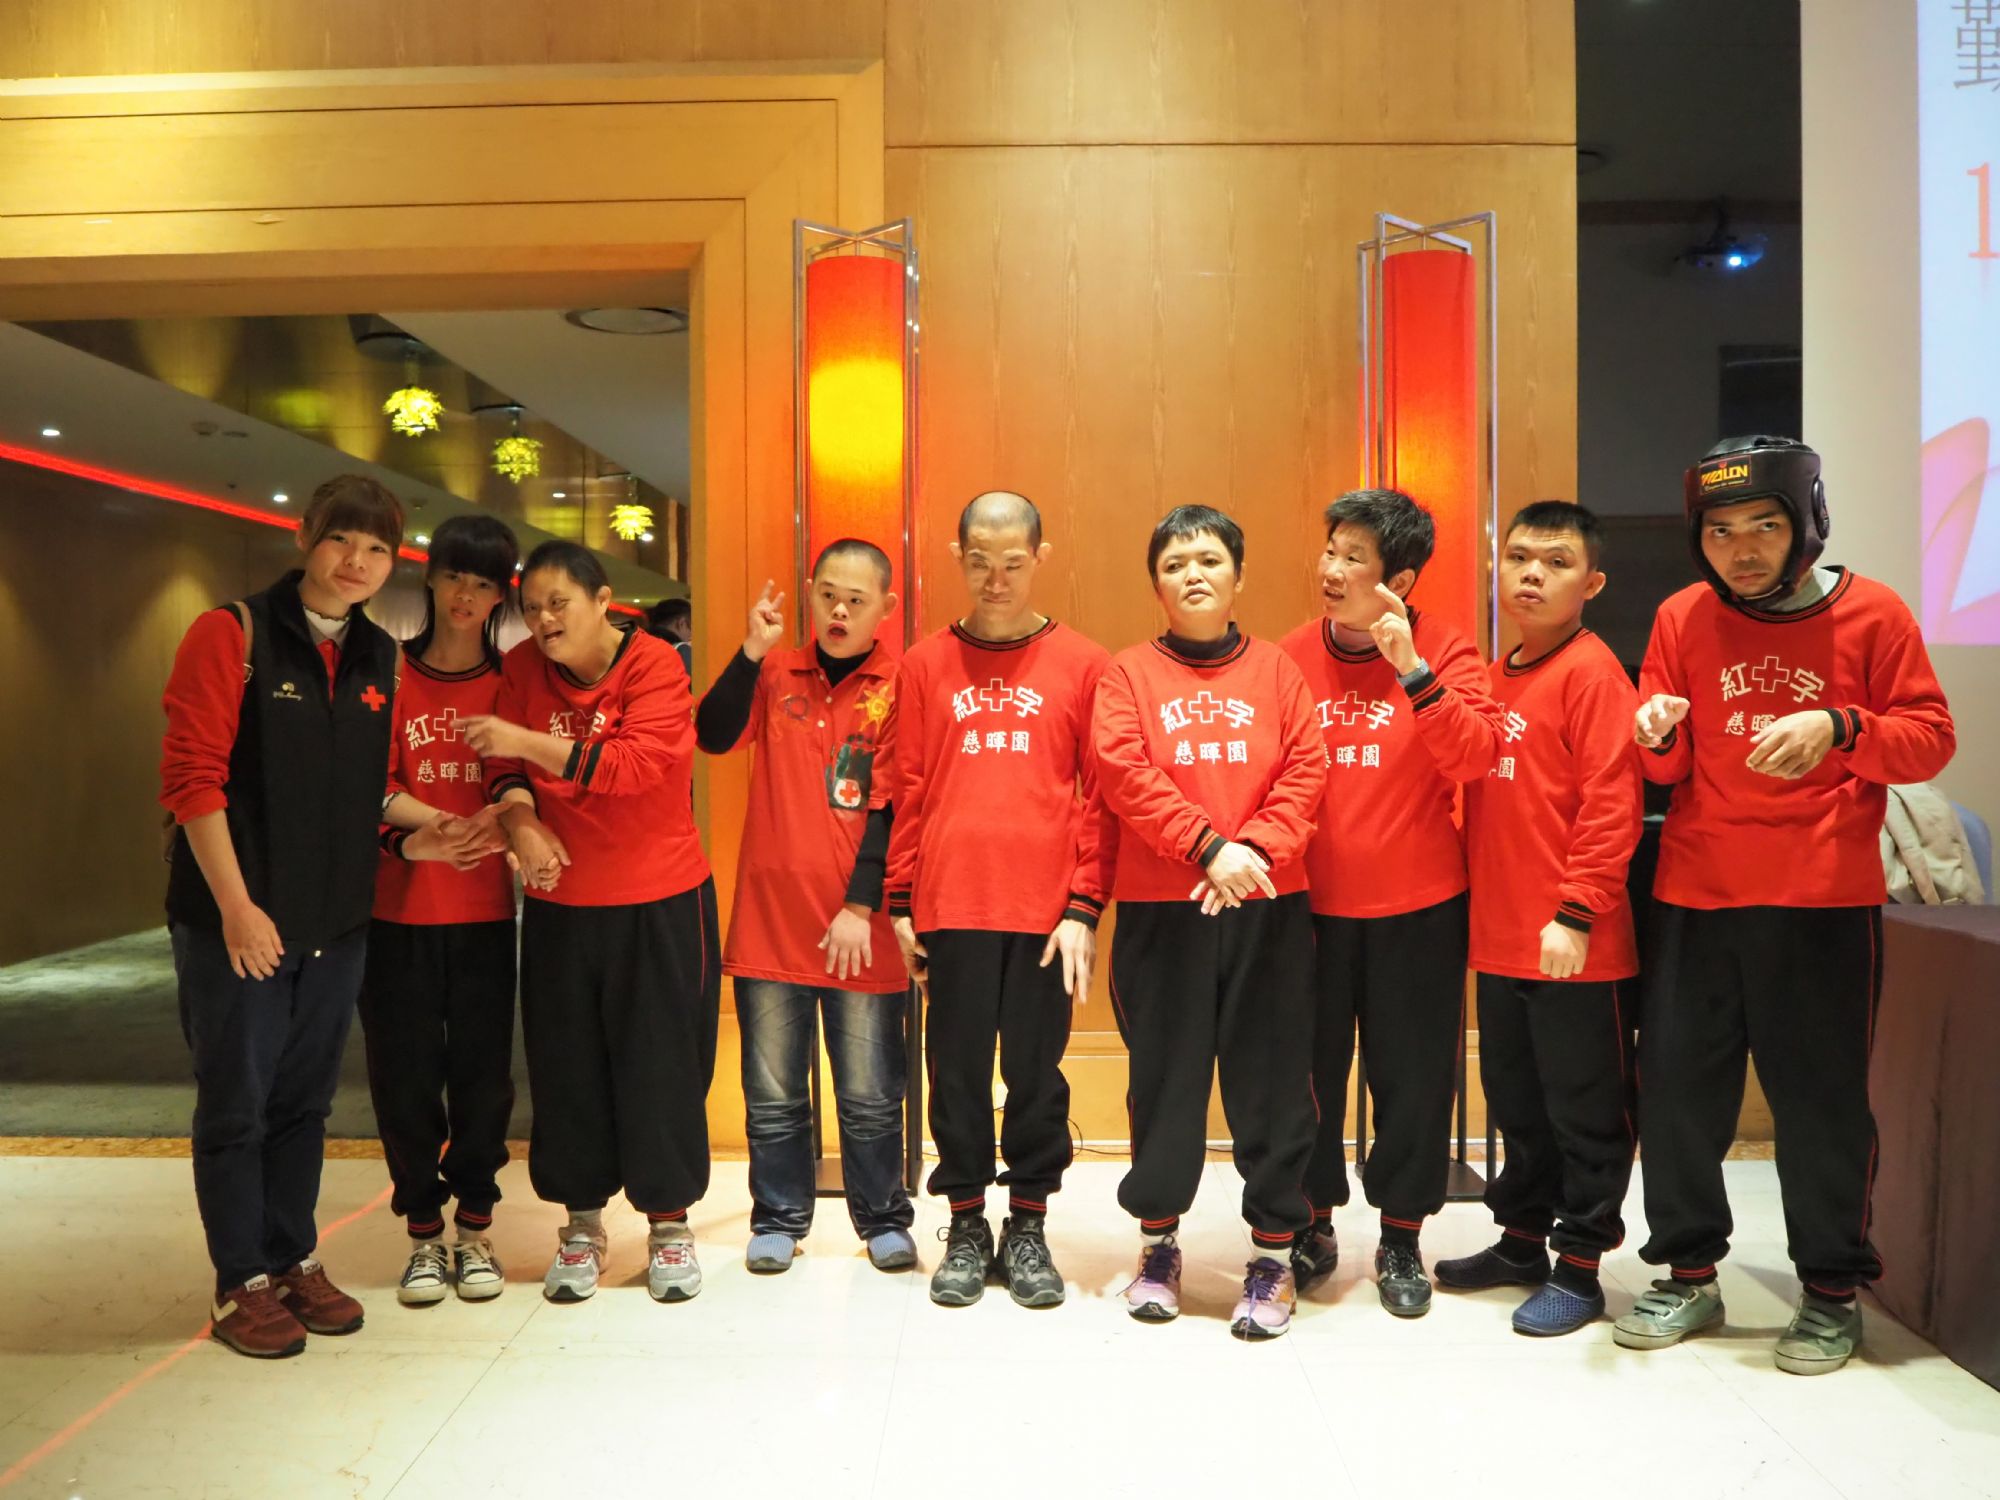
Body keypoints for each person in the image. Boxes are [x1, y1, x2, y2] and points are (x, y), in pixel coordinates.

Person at [1615, 436, 1954, 1374]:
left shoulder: (1875, 612)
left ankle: (1832, 1292)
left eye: (1763, 526)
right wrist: (1653, 734)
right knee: (1678, 1097)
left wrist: (1841, 726)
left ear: (1807, 521)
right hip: (1695, 893)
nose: (1742, 550)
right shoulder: (1682, 615)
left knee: (1821, 1104)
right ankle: (1689, 1274)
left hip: (1821, 900)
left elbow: (1930, 738)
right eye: (1719, 532)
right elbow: (1665, 763)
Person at [160, 474, 407, 1358]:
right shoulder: (233, 634)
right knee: (238, 1103)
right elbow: (193, 783)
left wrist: (446, 829)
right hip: (238, 925)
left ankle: (292, 1256)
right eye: (342, 539)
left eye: (377, 548)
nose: (357, 561)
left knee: (305, 1104)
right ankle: (241, 1280)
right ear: (305, 536)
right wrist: (236, 908)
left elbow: (375, 790)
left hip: (335, 926)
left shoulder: (380, 656)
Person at [463, 541, 720, 1305]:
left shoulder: (655, 664)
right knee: (567, 1067)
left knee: (661, 1065)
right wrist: (522, 822)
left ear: (603, 600)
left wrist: (523, 741)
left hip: (659, 898)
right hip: (561, 905)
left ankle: (668, 1227)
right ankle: (581, 1226)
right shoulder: (521, 668)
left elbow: (635, 767)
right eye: (531, 608)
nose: (544, 620)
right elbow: (501, 769)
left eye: (558, 603)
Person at [1094, 505, 1326, 1340]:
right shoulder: (1126, 674)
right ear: (1155, 583)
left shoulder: (1278, 670)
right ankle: (1158, 1247)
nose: (1192, 574)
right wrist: (1207, 848)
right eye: (1174, 563)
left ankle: (1273, 1257)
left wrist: (1249, 854)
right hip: (1165, 910)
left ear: (1238, 575)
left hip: (1266, 902)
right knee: (1166, 1082)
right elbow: (1124, 772)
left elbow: (1307, 769)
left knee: (1273, 1083)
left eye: (1209, 560)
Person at [882, 490, 1112, 1310]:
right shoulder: (924, 665)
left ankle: (1029, 1225)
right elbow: (906, 786)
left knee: (1035, 1074)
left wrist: (1084, 907)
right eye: (979, 562)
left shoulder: (1085, 664)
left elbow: (1100, 799)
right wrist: (900, 901)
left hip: (1045, 912)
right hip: (952, 903)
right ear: (958, 557)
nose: (996, 579)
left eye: (1013, 563)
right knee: (956, 1071)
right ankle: (966, 1224)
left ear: (1039, 558)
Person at [1279, 488, 1501, 1317]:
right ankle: (1311, 1222)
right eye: (1330, 550)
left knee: (1412, 1080)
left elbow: (1475, 756)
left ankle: (1402, 1234)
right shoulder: (1287, 656)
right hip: (1308, 907)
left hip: (1419, 907)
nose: (1332, 570)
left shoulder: (1446, 648)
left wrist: (1413, 670)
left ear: (1398, 580)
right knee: (1305, 1075)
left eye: (1354, 559)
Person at [1435, 501, 1641, 1337]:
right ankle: (1521, 1243)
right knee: (1517, 1104)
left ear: (1592, 583)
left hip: (1575, 943)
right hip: (1504, 938)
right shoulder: (1494, 674)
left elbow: (1613, 805)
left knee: (1584, 1113)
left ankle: (1581, 1269)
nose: (1531, 574)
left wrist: (1576, 912)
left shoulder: (1594, 673)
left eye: (1556, 563)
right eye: (1519, 557)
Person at [695, 541, 917, 1273]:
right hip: (771, 920)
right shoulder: (774, 673)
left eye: (856, 599)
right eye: (827, 596)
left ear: (886, 607)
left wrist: (860, 903)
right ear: (811, 594)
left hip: (862, 926)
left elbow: (893, 803)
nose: (839, 611)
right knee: (773, 1093)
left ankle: (882, 1218)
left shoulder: (901, 684)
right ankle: (779, 1217)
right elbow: (711, 735)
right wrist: (750, 651)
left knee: (870, 1094)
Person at [362, 514, 523, 1307]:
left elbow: (521, 779)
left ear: (501, 595)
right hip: (398, 913)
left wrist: (496, 826)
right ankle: (424, 1233)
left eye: (485, 582)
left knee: (484, 1082)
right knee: (405, 1080)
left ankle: (476, 1228)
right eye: (456, 575)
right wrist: (431, 831)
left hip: (485, 913)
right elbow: (369, 781)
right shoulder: (387, 671)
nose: (467, 594)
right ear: (429, 576)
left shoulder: (512, 681)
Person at [648, 596, 694, 676]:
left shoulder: (639, 645)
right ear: (681, 623)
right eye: (691, 627)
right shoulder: (681, 650)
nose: (691, 635)